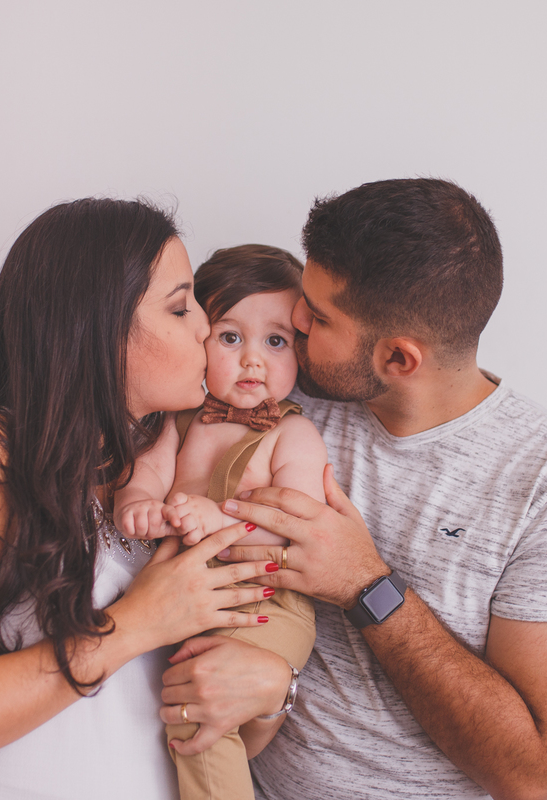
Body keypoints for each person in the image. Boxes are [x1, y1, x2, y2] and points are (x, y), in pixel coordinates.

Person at [165, 179, 547, 799]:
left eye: (317, 318)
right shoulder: (275, 395)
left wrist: (366, 586)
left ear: (398, 360)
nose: (292, 323)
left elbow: (529, 772)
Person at [0, 198, 281, 800]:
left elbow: (194, 736)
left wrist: (269, 696)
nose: (203, 326)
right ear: (97, 325)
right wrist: (137, 623)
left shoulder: (159, 468)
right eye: (180, 306)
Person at [112, 245, 327, 800]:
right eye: (231, 338)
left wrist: (215, 519)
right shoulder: (180, 420)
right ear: (200, 338)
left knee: (194, 712)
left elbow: (295, 527)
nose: (252, 360)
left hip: (265, 603)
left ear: (299, 352)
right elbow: (146, 474)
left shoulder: (291, 433)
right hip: (191, 598)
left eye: (275, 341)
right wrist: (138, 505)